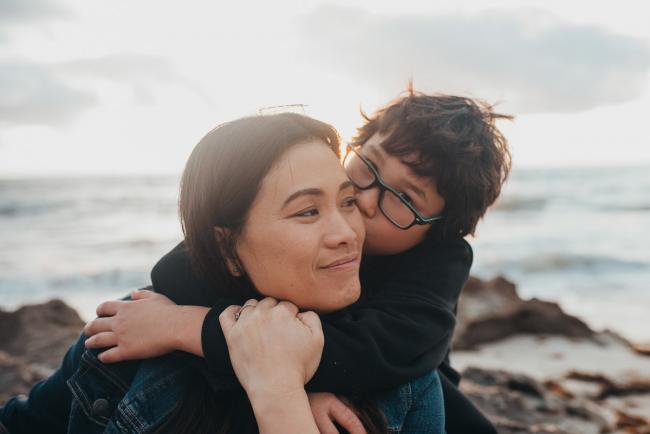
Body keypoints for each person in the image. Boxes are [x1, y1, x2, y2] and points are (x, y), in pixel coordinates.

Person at [86, 87, 511, 433]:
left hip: (415, 384)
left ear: (436, 229)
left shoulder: (437, 264)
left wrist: (182, 326)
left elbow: (371, 354)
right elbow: (180, 269)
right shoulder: (296, 232)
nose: (363, 199)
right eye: (367, 166)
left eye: (401, 199)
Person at [2, 113, 438, 433]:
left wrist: (280, 390)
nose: (347, 232)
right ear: (227, 247)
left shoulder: (404, 383)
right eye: (308, 211)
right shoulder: (130, 336)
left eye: (346, 202)